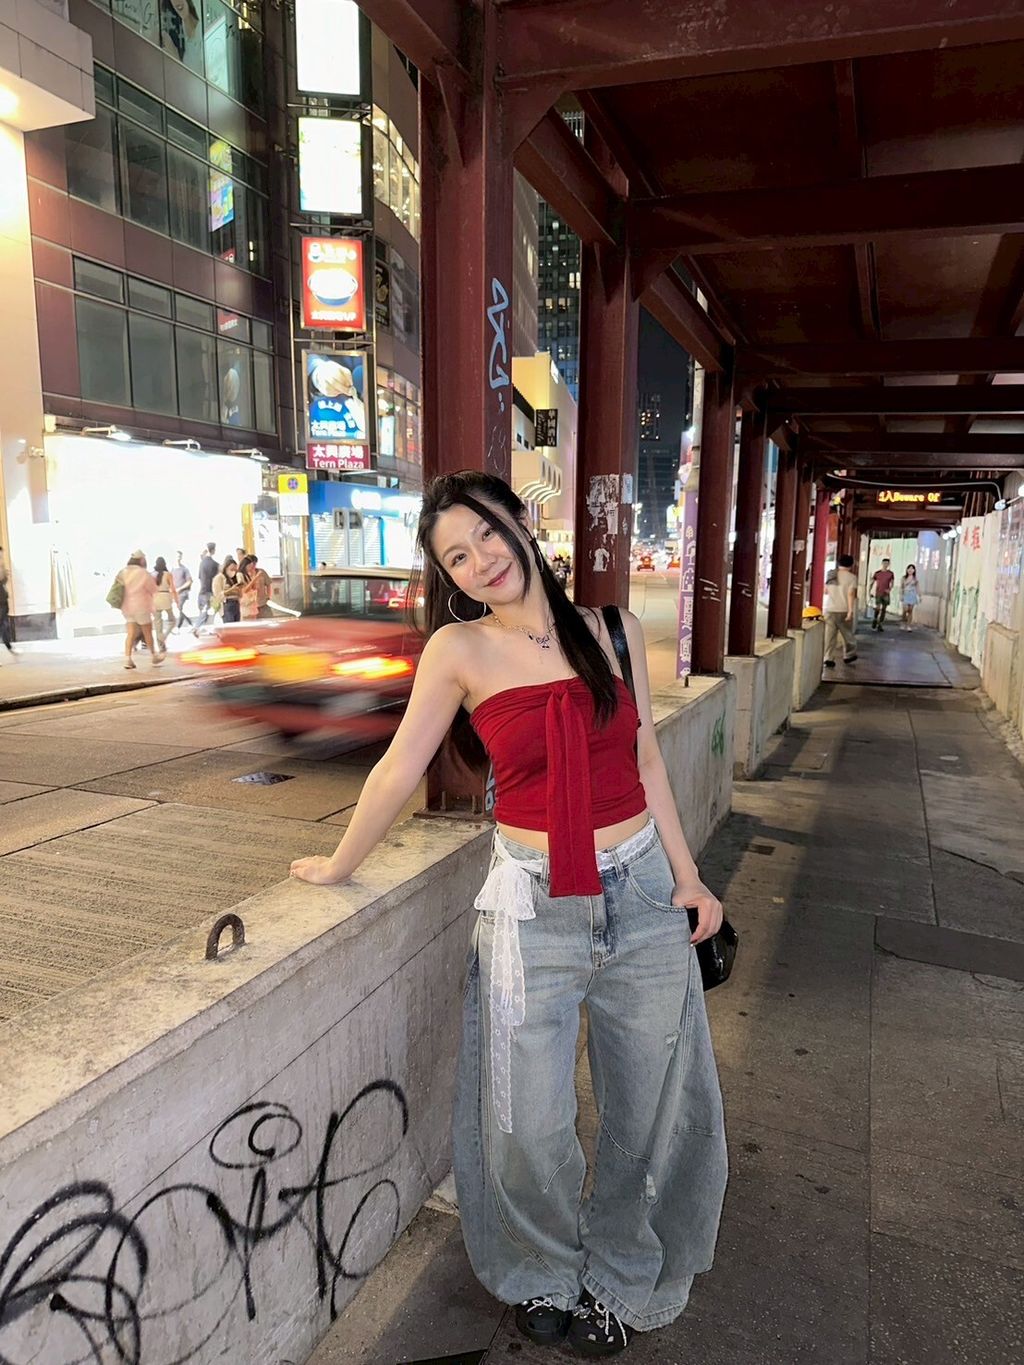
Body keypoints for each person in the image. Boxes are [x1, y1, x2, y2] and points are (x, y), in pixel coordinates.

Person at [290, 471, 727, 1356]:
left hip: (644, 893)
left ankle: (619, 1274)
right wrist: (339, 863)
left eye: (487, 533)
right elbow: (399, 766)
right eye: (457, 556)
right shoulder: (458, 650)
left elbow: (645, 759)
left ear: (521, 524)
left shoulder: (611, 630)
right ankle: (543, 1266)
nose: (480, 559)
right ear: (448, 577)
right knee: (527, 1118)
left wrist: (690, 877)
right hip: (530, 907)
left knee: (646, 1107)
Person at [115, 552, 163, 669]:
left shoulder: (123, 572)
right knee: (147, 632)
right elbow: (153, 589)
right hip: (141, 606)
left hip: (127, 607)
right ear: (141, 560)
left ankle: (128, 659)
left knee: (130, 634)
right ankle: (154, 656)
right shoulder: (143, 573)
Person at [822, 553, 858, 669]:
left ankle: (828, 658)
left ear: (838, 563)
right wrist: (850, 611)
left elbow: (825, 591)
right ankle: (849, 655)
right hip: (843, 610)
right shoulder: (852, 577)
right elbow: (851, 594)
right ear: (851, 565)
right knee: (847, 634)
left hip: (830, 609)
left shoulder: (831, 574)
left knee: (830, 635)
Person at [151, 556, 178, 653]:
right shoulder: (168, 574)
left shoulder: (152, 575)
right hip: (166, 597)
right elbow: (173, 589)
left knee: (158, 624)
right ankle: (164, 636)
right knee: (173, 620)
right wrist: (177, 601)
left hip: (155, 598)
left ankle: (161, 646)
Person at [238, 554, 272, 620]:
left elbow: (268, 584)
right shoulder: (242, 575)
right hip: (249, 604)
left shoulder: (261, 572)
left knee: (268, 619)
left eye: (254, 563)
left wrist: (268, 596)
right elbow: (245, 589)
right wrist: (255, 578)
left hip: (262, 602)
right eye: (250, 564)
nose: (253, 566)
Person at [193, 542, 218, 632]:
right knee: (212, 610)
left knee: (204, 611)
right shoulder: (214, 564)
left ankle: (199, 628)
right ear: (213, 550)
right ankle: (197, 628)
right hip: (210, 591)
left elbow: (200, 577)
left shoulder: (202, 563)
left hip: (202, 590)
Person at [213, 555, 242, 624]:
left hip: (236, 603)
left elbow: (240, 594)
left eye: (235, 570)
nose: (233, 572)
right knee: (230, 625)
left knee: (237, 625)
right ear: (226, 568)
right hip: (227, 604)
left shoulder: (234, 578)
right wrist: (231, 590)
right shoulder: (219, 578)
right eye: (231, 569)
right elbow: (218, 594)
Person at [871, 557, 895, 631]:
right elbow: (872, 582)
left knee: (884, 609)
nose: (885, 565)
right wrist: (870, 591)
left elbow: (892, 583)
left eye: (887, 563)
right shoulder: (877, 573)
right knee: (878, 607)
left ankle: (880, 624)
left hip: (886, 593)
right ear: (882, 563)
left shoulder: (890, 573)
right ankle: (875, 619)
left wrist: (889, 589)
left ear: (888, 564)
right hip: (878, 592)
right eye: (884, 563)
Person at [0, 545, 16, 659]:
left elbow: (3, 580)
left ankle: (9, 646)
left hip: (3, 600)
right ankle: (9, 647)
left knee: (4, 626)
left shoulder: (2, 566)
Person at [172, 551, 193, 630]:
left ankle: (178, 627)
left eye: (179, 556)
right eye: (177, 556)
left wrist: (180, 588)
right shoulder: (172, 570)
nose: (178, 557)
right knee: (180, 610)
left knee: (180, 608)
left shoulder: (184, 569)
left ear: (181, 557)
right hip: (175, 594)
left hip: (183, 593)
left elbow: (189, 581)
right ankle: (190, 624)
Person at [900, 565, 920, 631]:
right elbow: (901, 587)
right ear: (907, 570)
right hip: (905, 594)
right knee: (905, 610)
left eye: (912, 569)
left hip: (912, 595)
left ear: (914, 570)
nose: (910, 570)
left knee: (910, 611)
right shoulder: (904, 578)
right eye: (909, 568)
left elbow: (917, 588)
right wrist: (901, 595)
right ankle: (903, 622)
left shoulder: (915, 578)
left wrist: (919, 596)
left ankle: (909, 625)